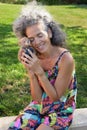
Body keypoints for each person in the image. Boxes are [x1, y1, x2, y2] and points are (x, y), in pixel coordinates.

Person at [8, 2, 77, 130]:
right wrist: (31, 72)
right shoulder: (33, 56)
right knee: (16, 128)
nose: (37, 42)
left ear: (49, 32)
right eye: (32, 39)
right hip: (39, 106)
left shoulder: (66, 59)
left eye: (40, 35)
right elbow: (37, 99)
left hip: (61, 108)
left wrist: (39, 72)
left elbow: (56, 97)